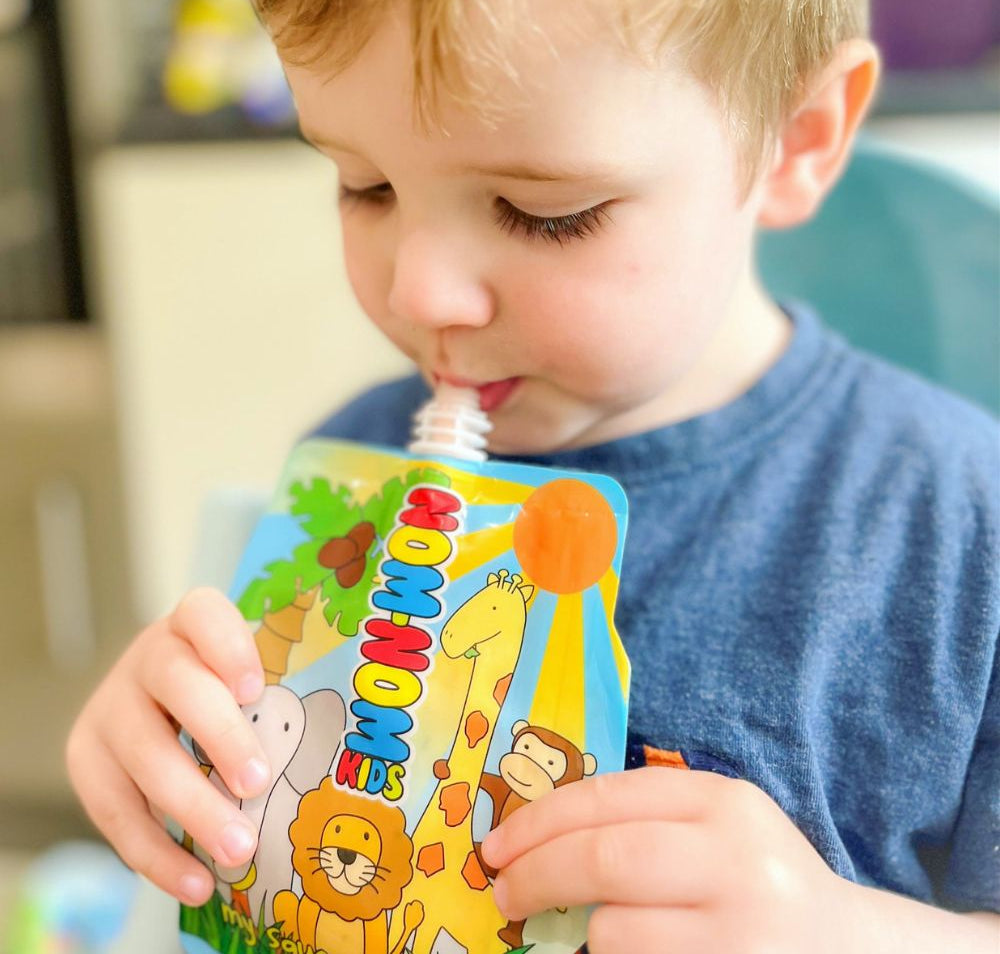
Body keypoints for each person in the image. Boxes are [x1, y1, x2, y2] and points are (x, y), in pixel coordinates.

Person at [67, 1, 999, 950]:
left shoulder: (964, 524)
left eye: (544, 213)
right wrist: (175, 757)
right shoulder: (351, 486)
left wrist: (844, 932)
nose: (417, 290)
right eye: (367, 185)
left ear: (796, 139)